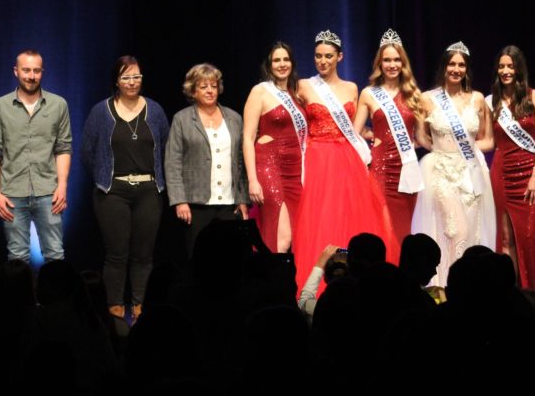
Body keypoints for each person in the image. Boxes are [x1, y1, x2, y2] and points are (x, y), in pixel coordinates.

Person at [292, 29, 395, 294]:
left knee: (352, 216)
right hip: (318, 158)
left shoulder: (352, 87)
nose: (322, 61)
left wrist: (373, 135)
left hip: (347, 158)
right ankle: (317, 286)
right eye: (317, 56)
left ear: (340, 56)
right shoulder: (303, 85)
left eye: (328, 56)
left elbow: (355, 126)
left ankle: (357, 282)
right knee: (320, 218)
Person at [81, 56, 169, 321]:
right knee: (116, 253)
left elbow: (165, 148)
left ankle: (140, 303)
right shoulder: (101, 111)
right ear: (116, 81)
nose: (132, 82)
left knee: (144, 254)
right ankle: (115, 305)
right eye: (126, 77)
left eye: (137, 77)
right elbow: (88, 151)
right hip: (113, 191)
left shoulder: (154, 110)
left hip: (148, 191)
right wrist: (104, 176)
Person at [412, 41, 495, 285]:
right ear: (444, 67)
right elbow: (420, 136)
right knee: (453, 230)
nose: (456, 69)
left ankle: (470, 284)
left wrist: (465, 150)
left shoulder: (478, 99)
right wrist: (442, 150)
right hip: (440, 171)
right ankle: (447, 284)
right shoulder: (427, 99)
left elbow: (488, 140)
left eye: (461, 65)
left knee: (470, 230)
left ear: (466, 69)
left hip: (470, 172)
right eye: (452, 64)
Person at [0, 50, 73, 264]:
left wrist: (62, 186)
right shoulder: (0, 106)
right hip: (12, 193)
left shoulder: (58, 104)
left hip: (48, 192)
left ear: (42, 72)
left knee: (55, 254)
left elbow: (63, 148)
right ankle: (20, 299)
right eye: (26, 70)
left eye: (36, 71)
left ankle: (55, 298)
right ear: (16, 71)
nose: (31, 76)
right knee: (17, 258)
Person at [165, 63, 248, 257]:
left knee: (230, 258)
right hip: (195, 205)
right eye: (203, 87)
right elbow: (172, 162)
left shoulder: (234, 118)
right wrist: (179, 201)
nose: (210, 91)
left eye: (213, 85)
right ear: (193, 91)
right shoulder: (182, 119)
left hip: (229, 204)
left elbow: (241, 161)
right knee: (198, 259)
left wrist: (242, 199)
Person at [354, 29, 426, 249]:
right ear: (380, 63)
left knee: (404, 230)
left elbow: (421, 138)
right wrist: (372, 135)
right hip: (381, 169)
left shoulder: (415, 95)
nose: (392, 65)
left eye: (397, 60)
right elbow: (355, 132)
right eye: (387, 60)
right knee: (383, 229)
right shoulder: (369, 93)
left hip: (407, 171)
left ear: (403, 63)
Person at [488, 45, 535, 296]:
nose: (505, 71)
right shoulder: (491, 101)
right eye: (501, 66)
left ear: (518, 69)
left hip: (530, 175)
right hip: (501, 173)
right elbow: (488, 141)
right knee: (505, 241)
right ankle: (509, 295)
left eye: (510, 66)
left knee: (528, 237)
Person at [242, 41, 306, 253]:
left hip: (296, 173)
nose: (281, 64)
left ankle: (288, 282)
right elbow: (248, 138)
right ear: (269, 65)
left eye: (285, 59)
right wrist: (252, 180)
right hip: (270, 169)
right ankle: (273, 283)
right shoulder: (260, 91)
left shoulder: (295, 94)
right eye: (276, 60)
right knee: (281, 235)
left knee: (296, 236)